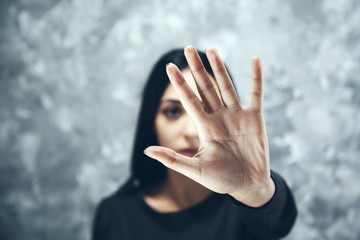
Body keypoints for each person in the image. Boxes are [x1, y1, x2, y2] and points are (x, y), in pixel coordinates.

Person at [91, 46, 297, 240]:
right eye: (172, 112)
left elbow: (277, 225)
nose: (192, 131)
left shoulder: (242, 206)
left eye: (206, 111)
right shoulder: (115, 214)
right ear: (151, 122)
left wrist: (254, 192)